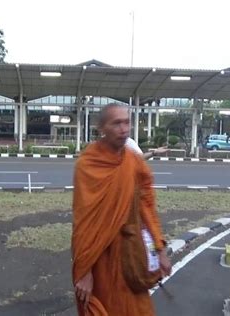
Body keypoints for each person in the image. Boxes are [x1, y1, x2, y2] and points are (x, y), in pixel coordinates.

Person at [72, 104, 171, 316]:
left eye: (126, 122)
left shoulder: (133, 161)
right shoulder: (88, 165)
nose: (124, 129)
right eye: (116, 123)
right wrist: (85, 270)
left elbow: (147, 207)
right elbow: (83, 222)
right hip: (100, 259)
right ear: (102, 128)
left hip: (130, 253)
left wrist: (160, 249)